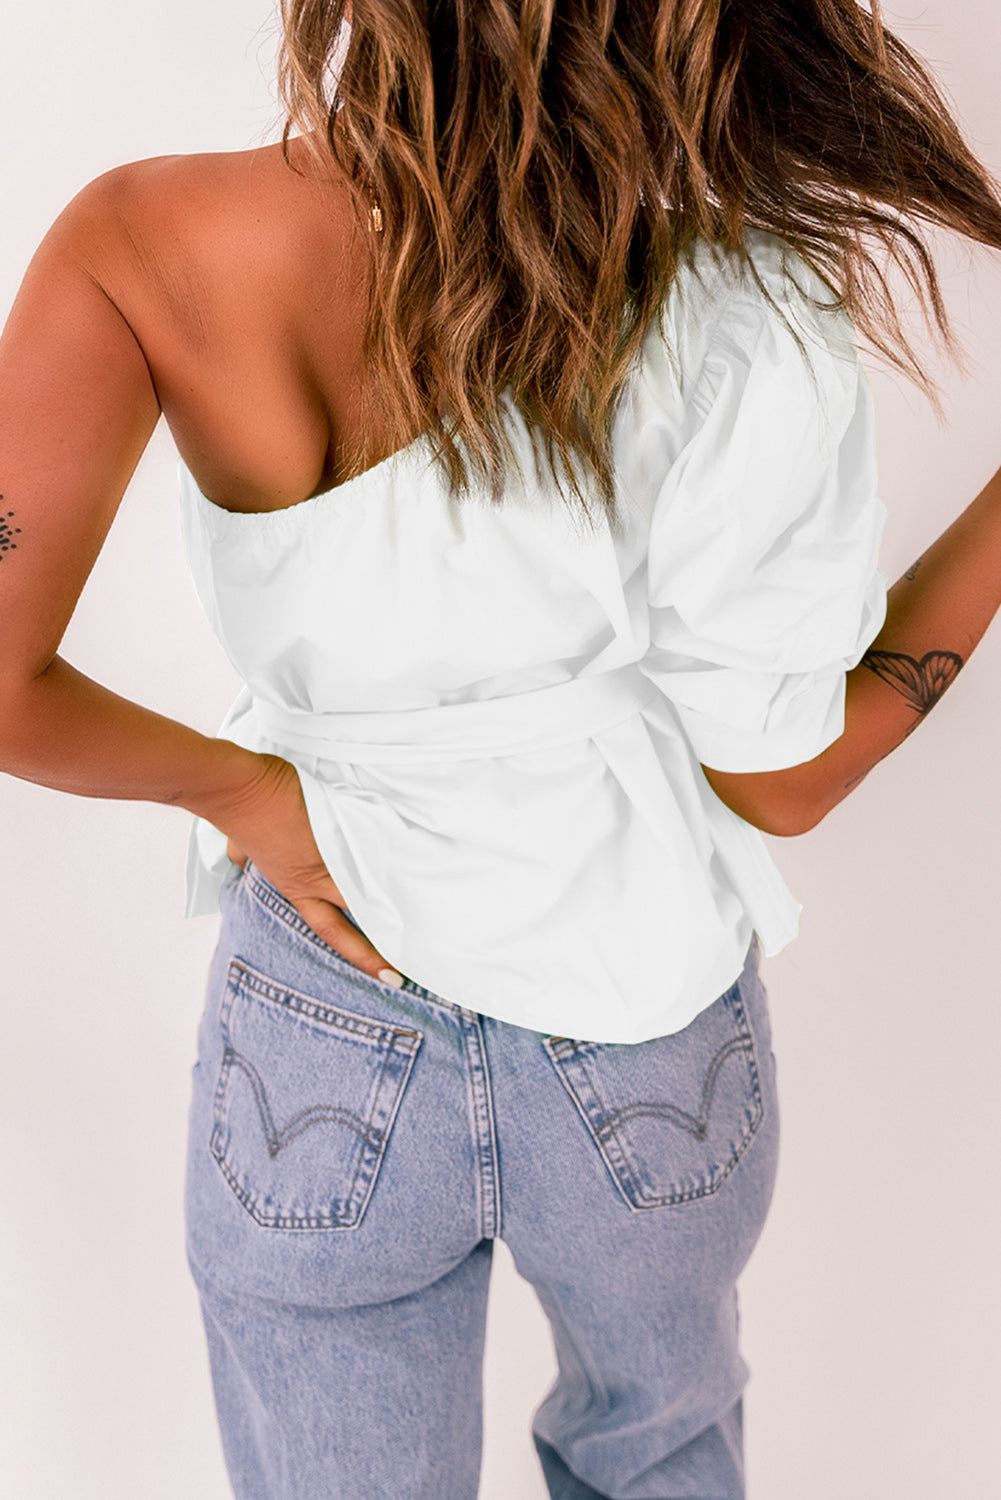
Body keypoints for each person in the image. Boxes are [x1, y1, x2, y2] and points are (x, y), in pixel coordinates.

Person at [2, 1, 1001, 1495]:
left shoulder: (148, 241)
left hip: (325, 1002)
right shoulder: (743, 290)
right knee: (660, 1450)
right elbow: (782, 784)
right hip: (641, 1014)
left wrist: (249, 795)